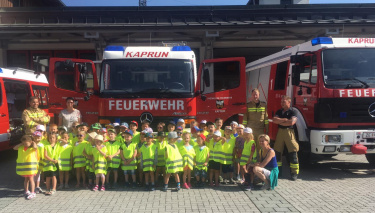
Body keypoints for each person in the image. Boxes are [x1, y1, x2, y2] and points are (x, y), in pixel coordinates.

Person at [272, 95, 299, 181]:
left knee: (293, 152)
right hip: (280, 132)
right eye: (281, 102)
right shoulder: (279, 111)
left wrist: (281, 122)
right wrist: (284, 120)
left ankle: (294, 173)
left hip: (289, 132)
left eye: (283, 102)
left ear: (289, 102)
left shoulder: (293, 111)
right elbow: (274, 120)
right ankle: (278, 172)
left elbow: (292, 122)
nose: (282, 103)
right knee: (277, 152)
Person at [243, 88, 269, 153]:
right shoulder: (248, 105)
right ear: (251, 95)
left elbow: (266, 118)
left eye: (256, 94)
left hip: (260, 129)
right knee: (251, 146)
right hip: (250, 130)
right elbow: (245, 118)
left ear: (259, 95)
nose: (255, 96)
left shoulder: (263, 105)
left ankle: (259, 161)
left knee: (260, 147)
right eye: (253, 94)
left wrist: (267, 129)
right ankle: (251, 161)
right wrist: (244, 129)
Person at [14, 135, 38, 200]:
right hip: (25, 169)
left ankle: (33, 192)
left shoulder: (32, 148)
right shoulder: (21, 147)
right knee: (26, 180)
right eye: (23, 143)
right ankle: (26, 191)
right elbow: (15, 148)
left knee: (31, 180)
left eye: (26, 143)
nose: (24, 144)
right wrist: (21, 143)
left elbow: (36, 147)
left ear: (31, 142)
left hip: (31, 168)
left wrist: (33, 143)